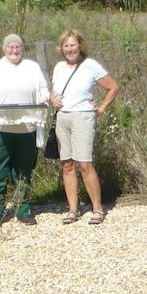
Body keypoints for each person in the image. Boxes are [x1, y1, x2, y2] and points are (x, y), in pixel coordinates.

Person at [0, 33, 49, 227]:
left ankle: (24, 210)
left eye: (18, 47)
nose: (14, 51)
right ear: (4, 49)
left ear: (22, 49)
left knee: (24, 170)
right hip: (0, 128)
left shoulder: (32, 67)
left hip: (27, 127)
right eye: (11, 47)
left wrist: (44, 98)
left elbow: (43, 90)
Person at [45, 29, 119, 225]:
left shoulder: (90, 66)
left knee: (84, 164)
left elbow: (113, 86)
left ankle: (97, 209)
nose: (70, 49)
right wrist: (53, 99)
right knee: (67, 164)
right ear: (62, 48)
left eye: (73, 45)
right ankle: (73, 209)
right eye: (66, 46)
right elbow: (54, 91)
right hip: (63, 118)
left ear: (80, 46)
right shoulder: (59, 67)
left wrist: (102, 107)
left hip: (83, 117)